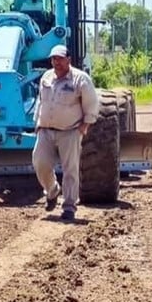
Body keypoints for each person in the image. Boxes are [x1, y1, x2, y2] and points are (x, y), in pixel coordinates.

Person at [32, 44, 99, 221]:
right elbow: (41, 101)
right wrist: (37, 122)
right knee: (40, 163)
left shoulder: (80, 79)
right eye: (54, 59)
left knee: (70, 169)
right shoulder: (46, 77)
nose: (57, 62)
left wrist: (85, 125)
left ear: (68, 59)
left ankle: (69, 206)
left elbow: (91, 104)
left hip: (70, 131)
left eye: (60, 58)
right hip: (45, 130)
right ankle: (52, 190)